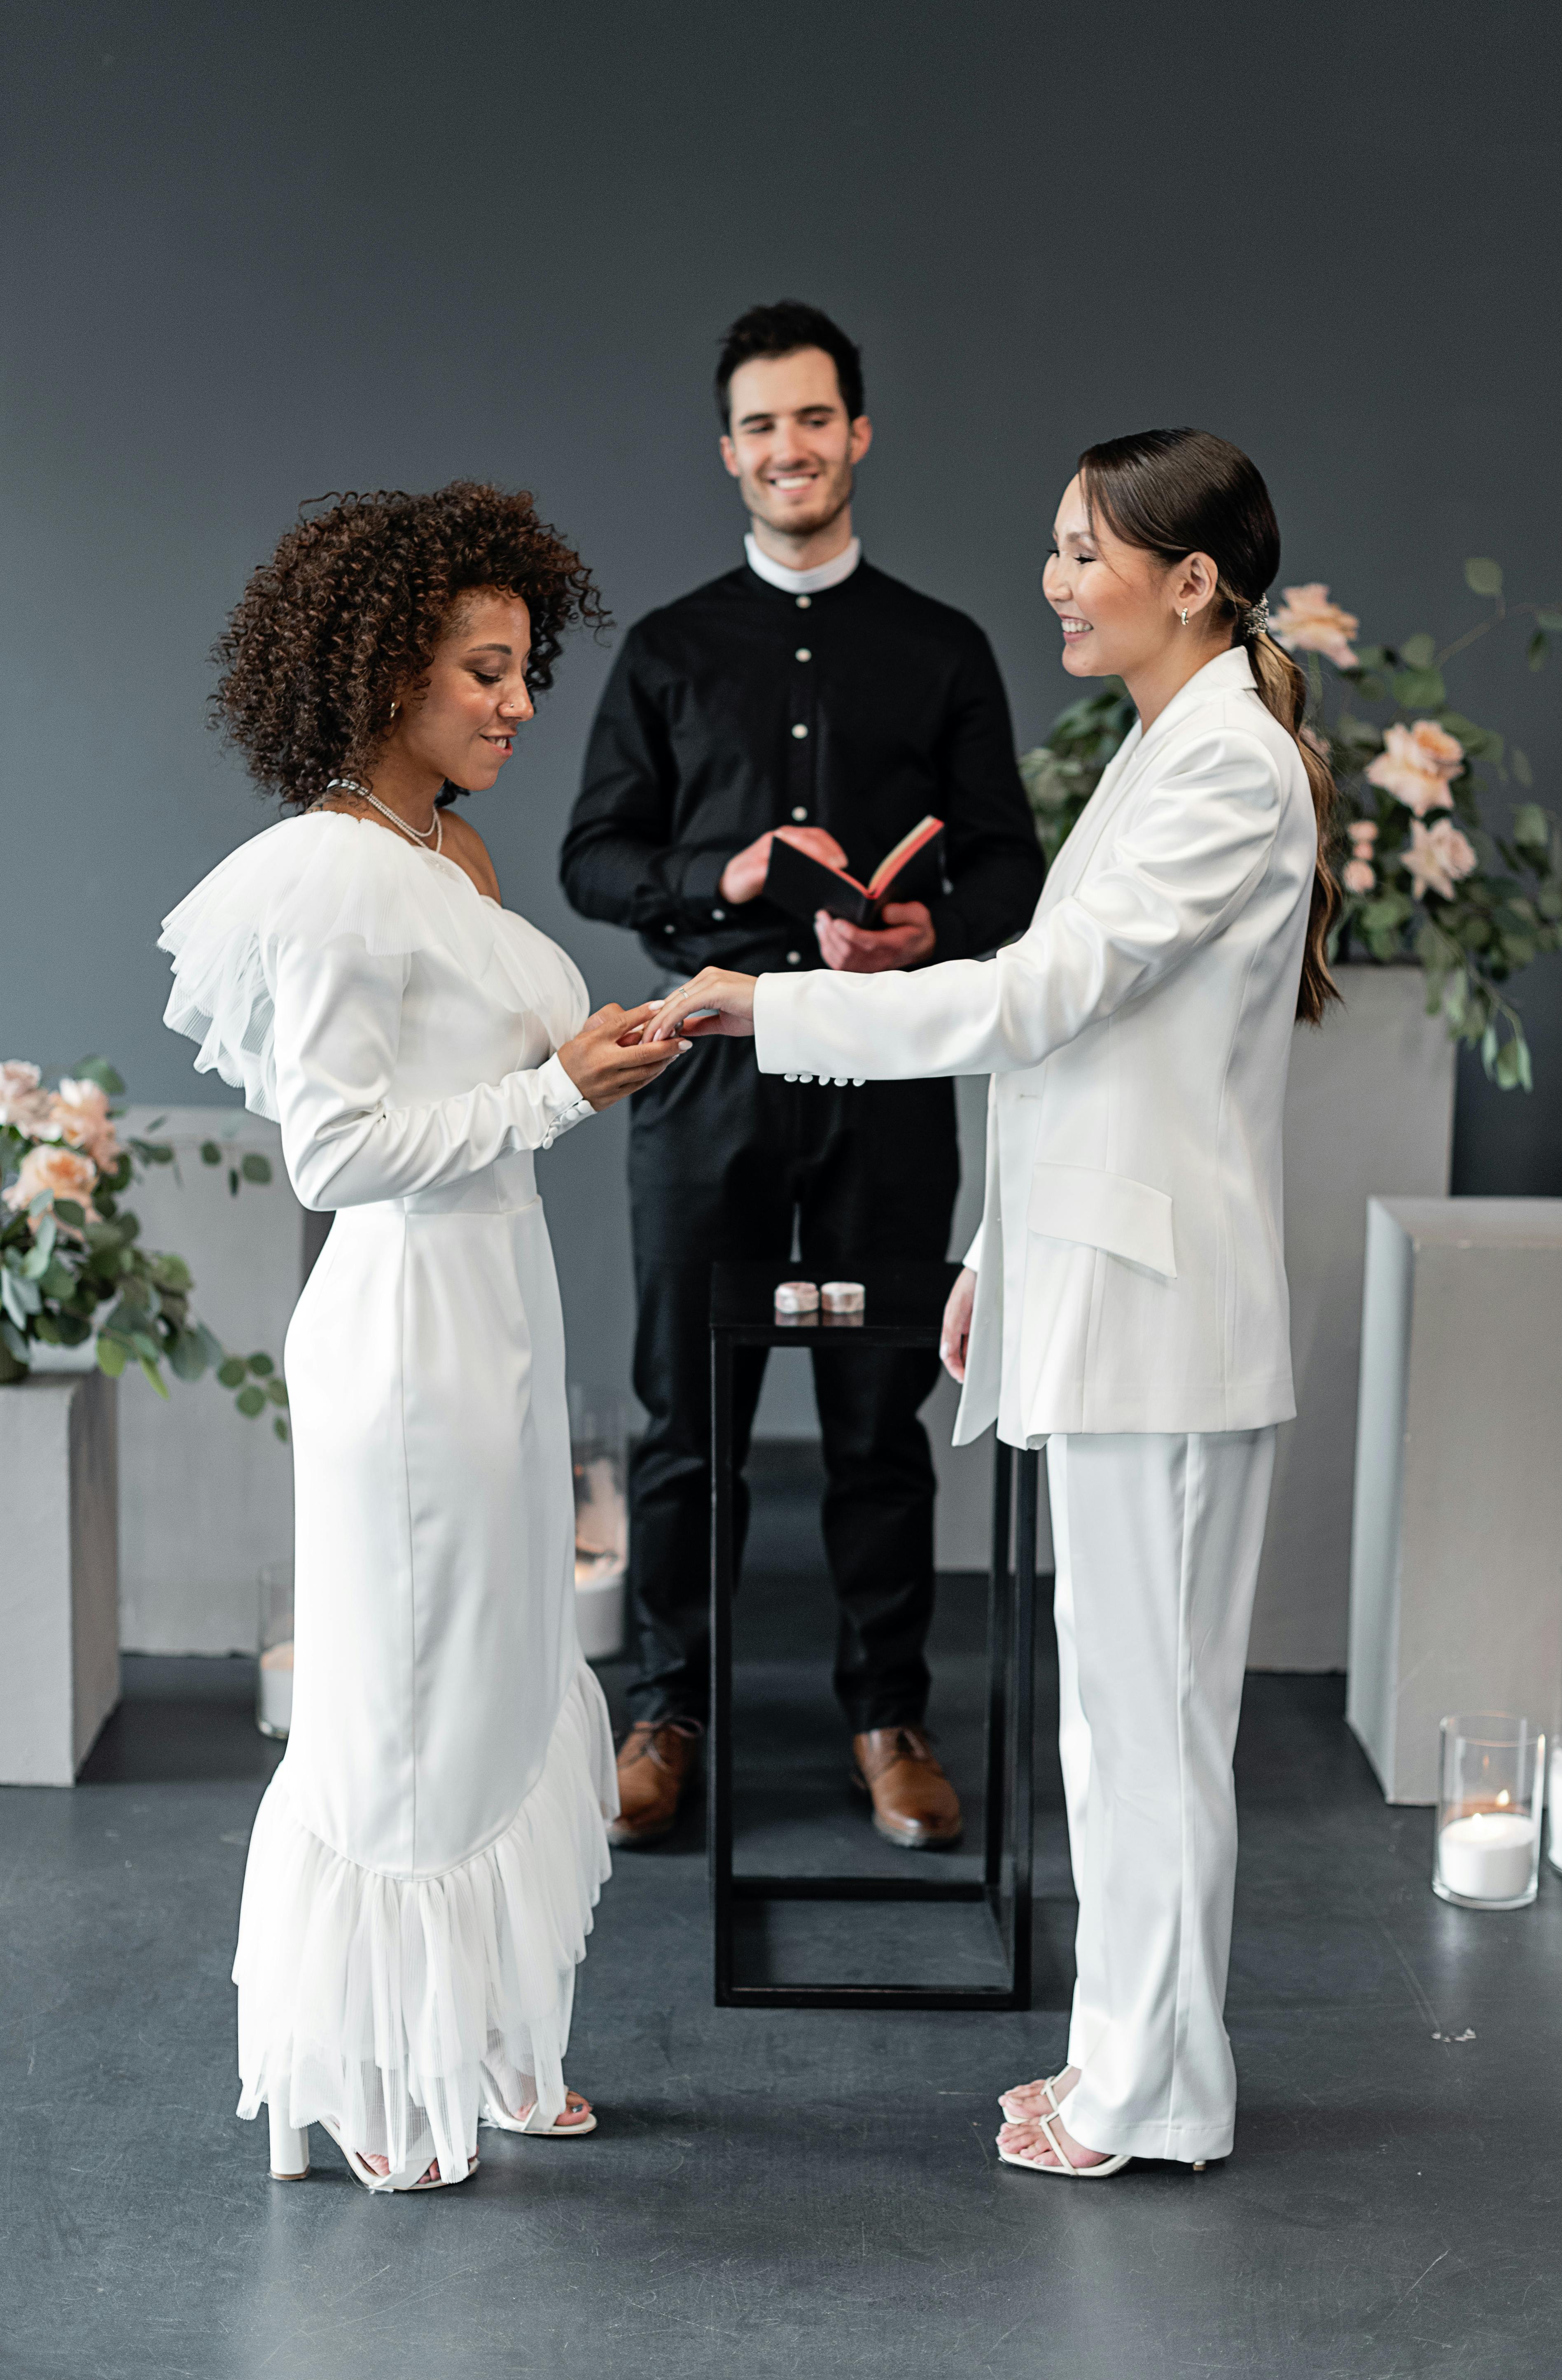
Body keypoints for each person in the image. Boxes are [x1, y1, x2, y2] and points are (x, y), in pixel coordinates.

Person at [643, 428, 1338, 2177]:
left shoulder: (1225, 768)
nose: (1049, 579)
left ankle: (1151, 2095)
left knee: (1147, 1734)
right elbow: (1095, 1056)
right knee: (1115, 1725)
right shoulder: (1164, 745)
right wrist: (988, 1256)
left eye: (1078, 549)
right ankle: (1130, 2072)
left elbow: (1037, 1006)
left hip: (1164, 1316)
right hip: (1109, 1288)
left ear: (1188, 578)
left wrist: (772, 1008)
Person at [160, 484, 689, 2192]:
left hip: (496, 1308)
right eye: (485, 671)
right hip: (403, 1331)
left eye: (524, 668)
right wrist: (554, 1087)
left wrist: (579, 1063)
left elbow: (471, 1080)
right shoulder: (324, 877)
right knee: (400, 1708)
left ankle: (487, 2034)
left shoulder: (443, 851)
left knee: (509, 1672)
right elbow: (332, 1156)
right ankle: (383, 2083)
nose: (517, 705)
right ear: (388, 671)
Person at [560, 301, 1045, 1850]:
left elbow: (1012, 876)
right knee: (681, 1419)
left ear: (858, 435)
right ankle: (665, 1716)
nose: (791, 448)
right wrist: (731, 867)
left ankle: (884, 1716)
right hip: (703, 1076)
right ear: (730, 451)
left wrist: (927, 932)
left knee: (877, 1412)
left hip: (889, 1079)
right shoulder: (668, 648)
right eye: (762, 425)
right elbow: (592, 860)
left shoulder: (943, 645)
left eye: (815, 419)